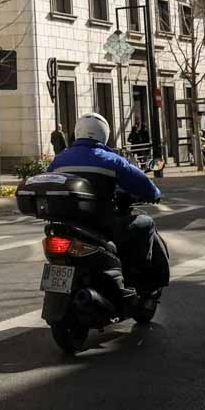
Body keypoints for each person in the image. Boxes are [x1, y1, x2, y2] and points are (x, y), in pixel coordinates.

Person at [49, 113, 165, 302]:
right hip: (103, 226)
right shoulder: (111, 160)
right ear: (104, 133)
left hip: (68, 226)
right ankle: (139, 281)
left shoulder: (59, 160)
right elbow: (143, 184)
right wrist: (154, 194)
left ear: (77, 132)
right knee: (146, 223)